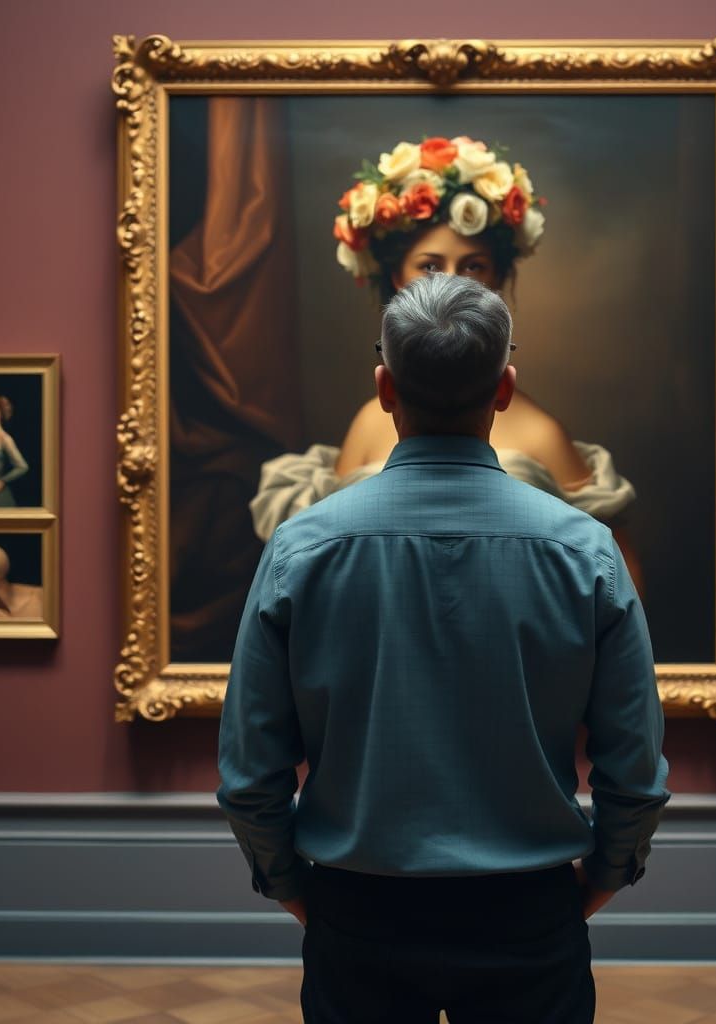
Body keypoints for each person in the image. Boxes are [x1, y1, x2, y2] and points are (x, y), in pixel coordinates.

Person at [218, 273, 669, 1023]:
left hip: (358, 909)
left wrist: (292, 884)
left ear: (384, 387)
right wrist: (602, 877)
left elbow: (250, 765)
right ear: (505, 387)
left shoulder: (303, 548)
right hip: (528, 911)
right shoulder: (585, 551)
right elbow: (635, 761)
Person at [249, 135, 643, 589]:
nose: (454, 282)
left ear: (497, 278)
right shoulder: (365, 426)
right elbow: (328, 571)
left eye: (473, 265)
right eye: (431, 266)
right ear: (396, 276)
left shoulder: (542, 434)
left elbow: (617, 583)